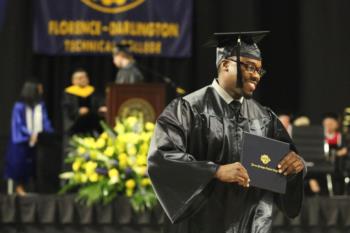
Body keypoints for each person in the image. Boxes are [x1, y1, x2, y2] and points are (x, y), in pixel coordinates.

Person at [147, 31, 305, 233]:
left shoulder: (265, 117)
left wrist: (295, 167)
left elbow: (287, 163)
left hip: (253, 226)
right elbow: (161, 157)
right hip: (202, 225)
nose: (256, 75)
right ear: (225, 65)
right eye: (249, 67)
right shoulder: (187, 109)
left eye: (259, 70)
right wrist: (215, 171)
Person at [4, 81, 53, 196]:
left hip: (38, 139)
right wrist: (30, 134)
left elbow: (45, 121)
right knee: (19, 164)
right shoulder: (19, 106)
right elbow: (18, 124)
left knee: (36, 165)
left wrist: (44, 132)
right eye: (39, 89)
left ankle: (36, 189)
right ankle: (19, 188)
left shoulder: (40, 105)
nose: (42, 91)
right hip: (21, 140)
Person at [62, 68, 106, 136]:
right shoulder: (68, 93)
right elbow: (66, 109)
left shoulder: (94, 91)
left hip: (92, 125)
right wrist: (78, 111)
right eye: (79, 78)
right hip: (75, 127)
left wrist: (101, 107)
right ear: (73, 81)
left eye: (85, 77)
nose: (83, 79)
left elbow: (100, 103)